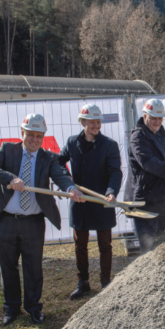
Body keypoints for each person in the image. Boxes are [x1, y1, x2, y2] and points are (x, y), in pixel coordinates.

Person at [0, 113, 84, 326]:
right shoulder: (7, 150)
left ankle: (34, 308)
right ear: (22, 133)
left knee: (33, 266)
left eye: (39, 136)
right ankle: (11, 308)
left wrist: (71, 188)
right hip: (7, 220)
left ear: (43, 136)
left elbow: (61, 176)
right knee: (7, 266)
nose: (34, 139)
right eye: (30, 135)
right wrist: (11, 178)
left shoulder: (49, 158)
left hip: (33, 222)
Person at [58, 104, 122, 298]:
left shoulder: (109, 145)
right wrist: (68, 182)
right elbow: (59, 162)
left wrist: (111, 192)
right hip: (80, 203)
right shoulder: (71, 142)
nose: (96, 125)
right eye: (92, 122)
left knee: (105, 245)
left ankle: (105, 282)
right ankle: (83, 281)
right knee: (80, 245)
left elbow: (115, 172)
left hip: (102, 202)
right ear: (82, 122)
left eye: (98, 122)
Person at [126, 98, 165, 254]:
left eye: (160, 118)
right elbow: (147, 162)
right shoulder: (137, 137)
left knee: (162, 247)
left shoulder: (161, 134)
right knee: (149, 250)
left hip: (162, 200)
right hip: (144, 202)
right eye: (154, 117)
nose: (157, 121)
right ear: (145, 116)